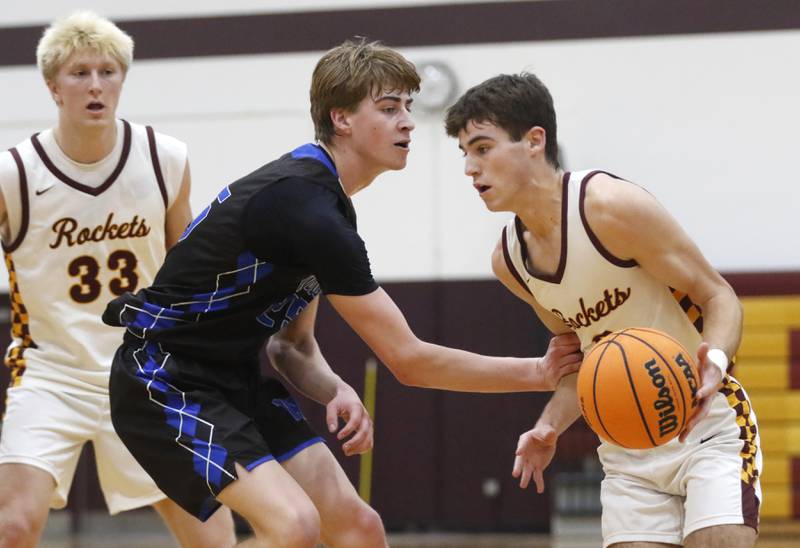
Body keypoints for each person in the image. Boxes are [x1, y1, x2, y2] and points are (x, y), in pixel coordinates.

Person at [102, 40, 583, 547]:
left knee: (357, 528)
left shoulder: (323, 204)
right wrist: (538, 372)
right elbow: (410, 360)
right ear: (342, 119)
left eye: (408, 108)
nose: (408, 123)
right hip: (163, 378)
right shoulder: (304, 208)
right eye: (389, 108)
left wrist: (334, 389)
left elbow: (291, 346)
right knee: (293, 527)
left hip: (235, 380)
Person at [444, 73, 761, 548]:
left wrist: (714, 361)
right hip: (626, 447)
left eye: (483, 148)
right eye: (465, 153)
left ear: (534, 141)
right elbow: (580, 362)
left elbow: (718, 295)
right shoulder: (509, 261)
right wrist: (549, 426)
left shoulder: (611, 207)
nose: (470, 168)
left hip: (706, 427)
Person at [0, 12, 237, 547]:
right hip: (50, 372)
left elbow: (188, 266)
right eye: (80, 72)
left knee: (214, 536)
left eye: (108, 72)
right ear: (52, 86)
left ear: (122, 80)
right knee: (13, 526)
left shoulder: (164, 158)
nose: (95, 85)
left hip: (143, 369)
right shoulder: (14, 172)